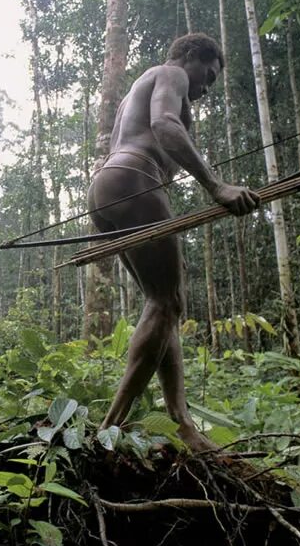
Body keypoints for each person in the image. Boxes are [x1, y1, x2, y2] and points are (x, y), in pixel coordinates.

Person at [88, 33, 259, 452]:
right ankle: (109, 428)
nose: (205, 88)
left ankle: (180, 421)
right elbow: (165, 125)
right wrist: (216, 187)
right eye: (209, 75)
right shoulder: (170, 73)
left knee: (164, 302)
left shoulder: (139, 86)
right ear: (191, 57)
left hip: (106, 186)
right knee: (167, 303)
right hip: (136, 177)